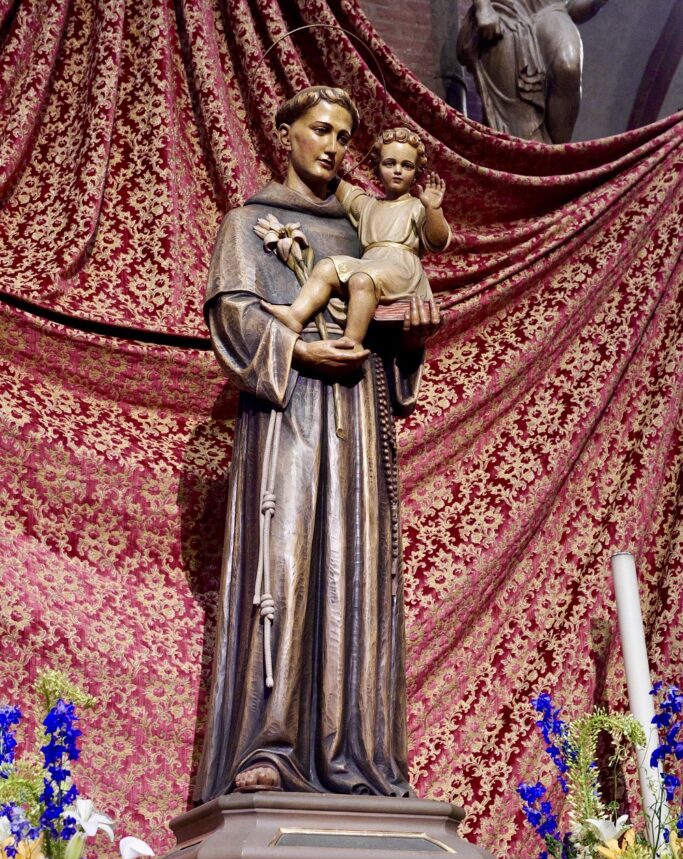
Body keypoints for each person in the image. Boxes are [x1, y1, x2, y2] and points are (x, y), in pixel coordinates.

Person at [194, 86, 440, 800]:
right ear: (287, 134)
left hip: (357, 419)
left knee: (349, 573)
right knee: (287, 569)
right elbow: (233, 317)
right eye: (320, 130)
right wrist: (299, 354)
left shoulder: (365, 229)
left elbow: (387, 308)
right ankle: (265, 747)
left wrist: (408, 337)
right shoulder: (249, 221)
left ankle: (354, 751)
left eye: (342, 135)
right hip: (289, 418)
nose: (332, 145)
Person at [261, 127, 450, 350]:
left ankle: (352, 341)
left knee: (361, 279)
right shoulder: (367, 205)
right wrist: (316, 160)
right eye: (389, 163)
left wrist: (433, 209)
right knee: (327, 266)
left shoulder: (417, 207)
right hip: (371, 263)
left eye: (406, 166)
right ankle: (296, 315)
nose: (397, 171)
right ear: (378, 167)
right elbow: (338, 185)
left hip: (401, 269)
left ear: (417, 172)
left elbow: (438, 241)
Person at [457, 0, 611, 143]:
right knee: (522, 132)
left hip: (552, 11)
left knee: (568, 65)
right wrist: (483, 7)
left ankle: (559, 156)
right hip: (506, 10)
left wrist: (595, 3)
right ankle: (529, 153)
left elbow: (572, 8)